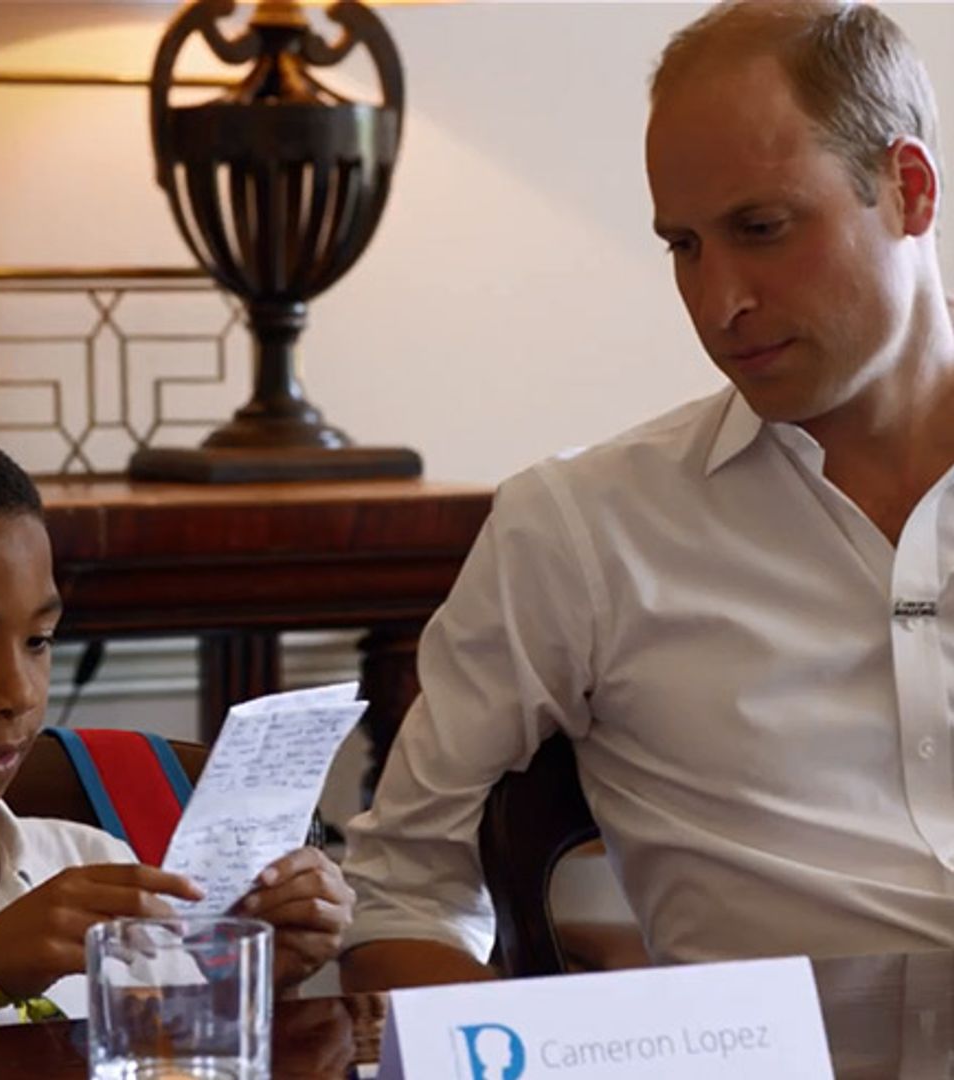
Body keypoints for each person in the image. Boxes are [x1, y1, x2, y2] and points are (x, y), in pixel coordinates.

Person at [340, 0, 954, 990]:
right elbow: (396, 889)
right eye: (684, 246)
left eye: (763, 228)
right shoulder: (584, 530)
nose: (720, 306)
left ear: (909, 189)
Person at [0, 417, 354, 1034]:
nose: (17, 693)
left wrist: (249, 988)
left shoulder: (91, 862)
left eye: (39, 640)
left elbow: (172, 1059)